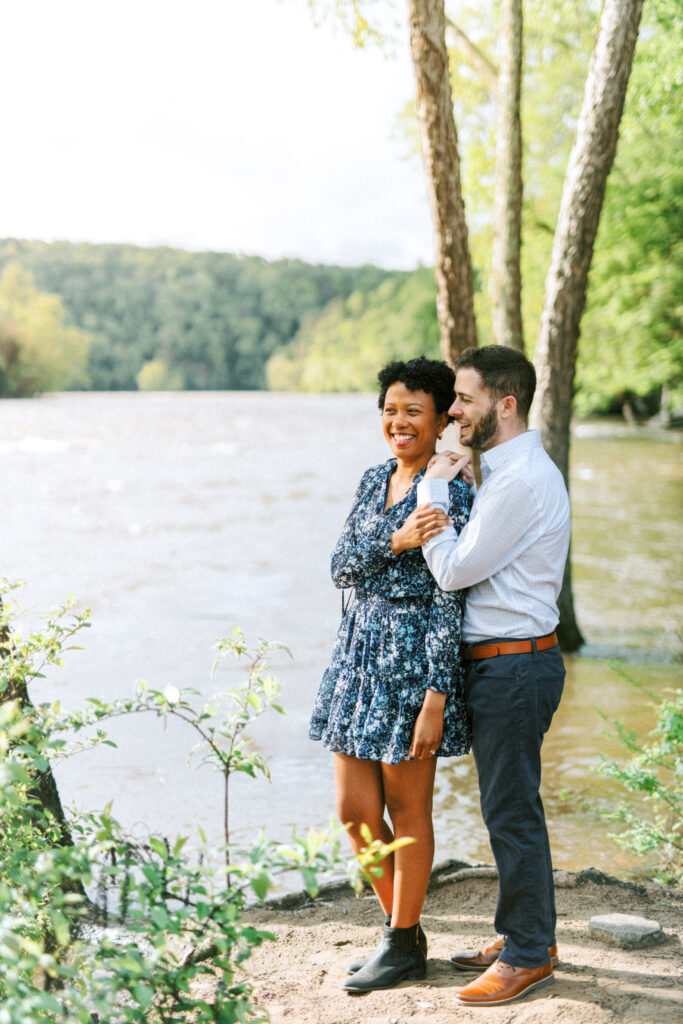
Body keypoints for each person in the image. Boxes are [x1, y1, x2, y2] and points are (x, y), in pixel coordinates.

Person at [403, 344, 570, 1007]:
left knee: (510, 812)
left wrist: (431, 492)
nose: (452, 411)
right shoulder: (504, 474)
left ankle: (527, 954)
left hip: (515, 665)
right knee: (511, 806)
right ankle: (530, 934)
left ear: (506, 404)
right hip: (511, 663)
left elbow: (451, 570)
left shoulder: (521, 479)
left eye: (464, 399)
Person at [309, 356, 472, 994]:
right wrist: (394, 540)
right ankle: (402, 929)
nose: (398, 423)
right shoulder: (375, 478)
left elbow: (449, 597)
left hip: (411, 660)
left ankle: (400, 940)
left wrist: (437, 694)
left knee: (407, 810)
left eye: (413, 412)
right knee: (354, 811)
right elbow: (341, 567)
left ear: (439, 421)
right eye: (390, 411)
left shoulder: (451, 490)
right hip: (357, 653)